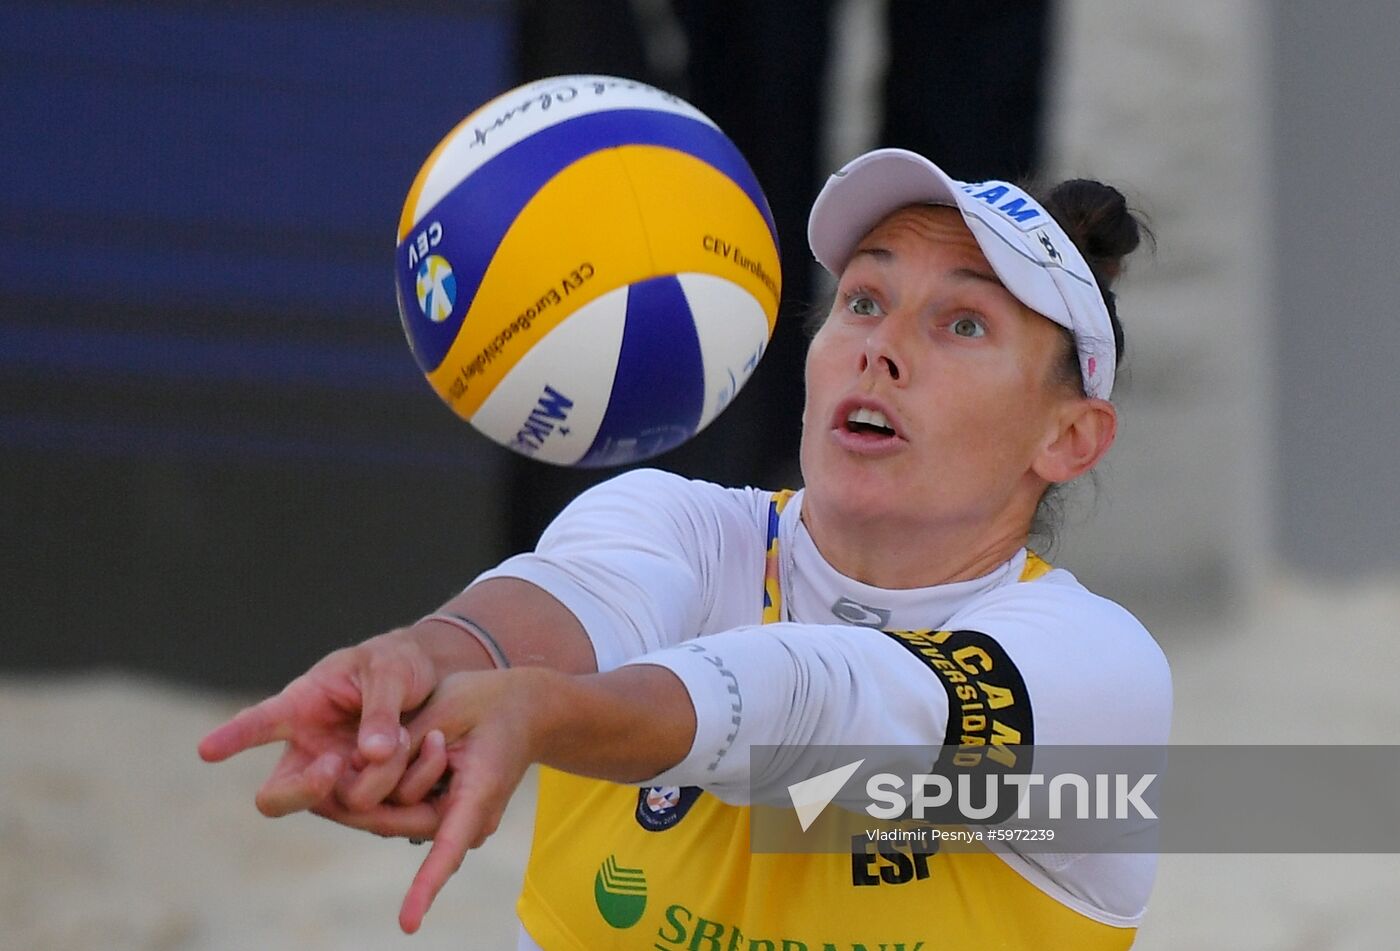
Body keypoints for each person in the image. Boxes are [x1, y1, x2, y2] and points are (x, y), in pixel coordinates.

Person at [200, 147, 1171, 949]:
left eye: (961, 323)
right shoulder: (672, 522)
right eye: (863, 299)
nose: (879, 347)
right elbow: (565, 603)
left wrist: (550, 711)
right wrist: (421, 662)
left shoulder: (1093, 667)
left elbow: (828, 698)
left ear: (1068, 438)